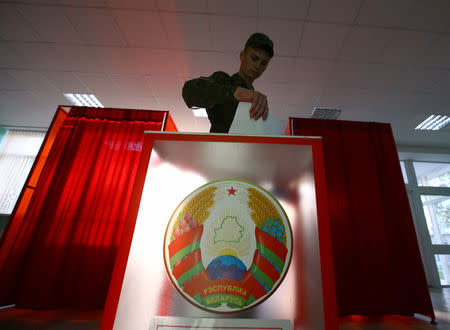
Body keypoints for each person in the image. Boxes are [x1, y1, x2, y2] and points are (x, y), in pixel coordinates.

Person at [182, 33, 274, 133]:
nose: (258, 66)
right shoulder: (223, 80)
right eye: (254, 58)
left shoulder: (256, 102)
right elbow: (189, 91)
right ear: (242, 56)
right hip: (219, 147)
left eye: (263, 63)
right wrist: (233, 92)